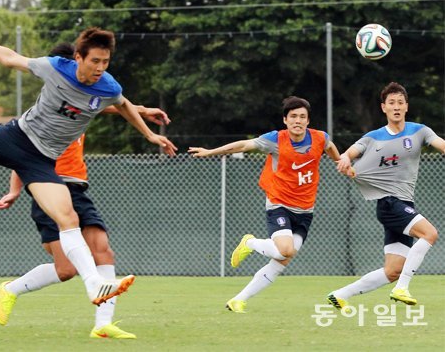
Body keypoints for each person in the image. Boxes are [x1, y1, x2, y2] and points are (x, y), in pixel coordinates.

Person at [0, 16, 177, 307]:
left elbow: (123, 104)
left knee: (68, 218)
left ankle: (95, 286)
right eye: (95, 61)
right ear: (78, 57)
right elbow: (9, 58)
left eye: (106, 61)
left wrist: (149, 135)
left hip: (40, 161)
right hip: (15, 137)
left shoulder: (107, 86)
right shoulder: (55, 67)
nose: (100, 68)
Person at [189, 96, 342, 313]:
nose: (297, 121)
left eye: (302, 117)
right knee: (284, 250)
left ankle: (238, 300)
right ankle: (250, 243)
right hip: (279, 203)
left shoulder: (319, 138)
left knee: (282, 261)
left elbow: (330, 146)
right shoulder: (275, 140)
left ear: (308, 121)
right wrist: (210, 152)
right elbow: (244, 144)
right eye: (293, 117)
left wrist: (341, 162)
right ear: (285, 120)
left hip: (306, 210)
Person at [327, 82, 445, 309]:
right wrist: (344, 159)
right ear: (384, 108)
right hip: (389, 203)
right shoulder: (373, 137)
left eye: (400, 102)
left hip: (403, 203)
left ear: (407, 106)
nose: (396, 107)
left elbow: (440, 144)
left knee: (393, 270)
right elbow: (351, 152)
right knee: (429, 234)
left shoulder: (420, 131)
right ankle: (402, 288)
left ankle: (340, 294)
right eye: (391, 103)